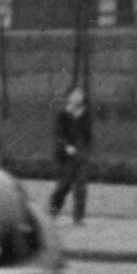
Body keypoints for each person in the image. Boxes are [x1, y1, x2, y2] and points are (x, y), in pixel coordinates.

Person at [50, 85, 93, 224]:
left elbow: (87, 135)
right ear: (69, 97)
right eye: (75, 94)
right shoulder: (63, 114)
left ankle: (78, 218)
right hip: (65, 156)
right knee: (64, 185)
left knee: (81, 187)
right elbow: (58, 134)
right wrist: (66, 146)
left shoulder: (85, 114)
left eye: (80, 94)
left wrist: (86, 150)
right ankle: (52, 213)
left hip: (80, 155)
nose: (78, 96)